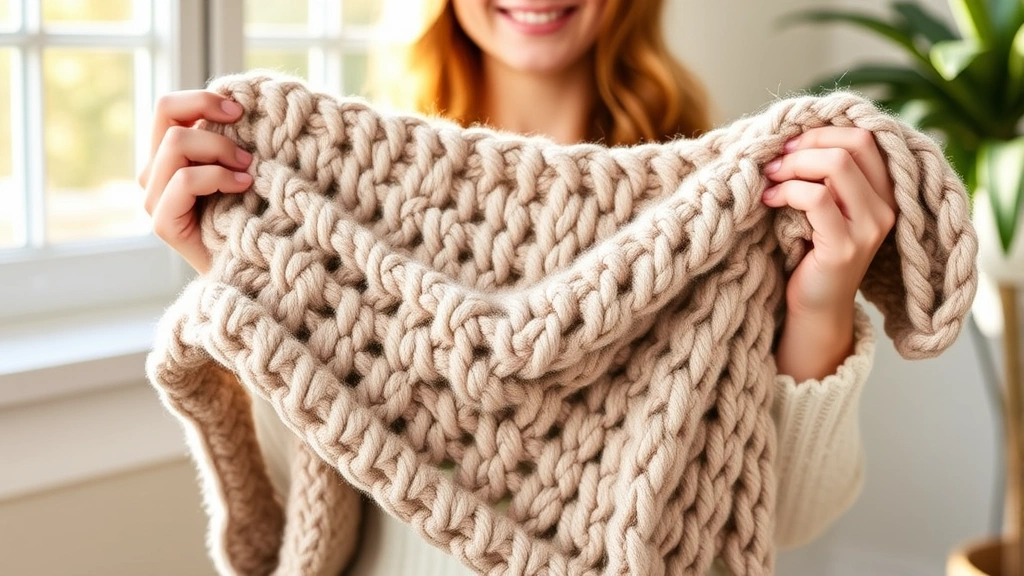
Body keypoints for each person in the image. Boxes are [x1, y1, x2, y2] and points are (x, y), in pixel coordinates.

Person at [138, 0, 896, 573]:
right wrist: (249, 273)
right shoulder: (341, 188)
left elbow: (780, 516)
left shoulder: (723, 205)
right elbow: (300, 477)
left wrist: (820, 306)